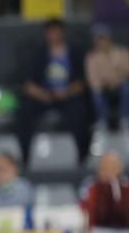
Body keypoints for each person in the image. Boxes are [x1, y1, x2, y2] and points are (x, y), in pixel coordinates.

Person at [16, 18, 89, 164]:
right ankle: (25, 156)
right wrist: (43, 94)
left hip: (68, 96)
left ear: (62, 33)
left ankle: (82, 155)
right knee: (23, 111)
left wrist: (67, 92)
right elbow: (27, 83)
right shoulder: (38, 53)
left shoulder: (75, 53)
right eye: (50, 32)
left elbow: (83, 82)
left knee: (80, 112)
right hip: (44, 96)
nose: (53, 35)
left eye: (56, 32)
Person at [84, 24, 129, 131]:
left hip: (120, 84)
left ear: (109, 38)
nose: (100, 42)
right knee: (96, 91)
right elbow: (92, 79)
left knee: (127, 86)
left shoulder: (123, 52)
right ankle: (102, 120)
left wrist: (116, 80)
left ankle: (125, 119)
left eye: (102, 38)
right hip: (103, 87)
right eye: (97, 39)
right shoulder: (91, 57)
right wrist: (105, 82)